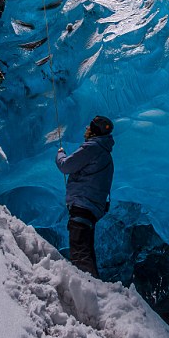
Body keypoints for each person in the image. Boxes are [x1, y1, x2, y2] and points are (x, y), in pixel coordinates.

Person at [55, 115, 115, 278]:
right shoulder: (106, 156)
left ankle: (90, 293)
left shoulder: (92, 148)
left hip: (81, 207)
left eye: (90, 127)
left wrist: (60, 154)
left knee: (80, 255)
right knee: (86, 252)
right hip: (91, 210)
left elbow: (66, 166)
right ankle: (98, 291)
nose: (86, 129)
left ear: (95, 131)